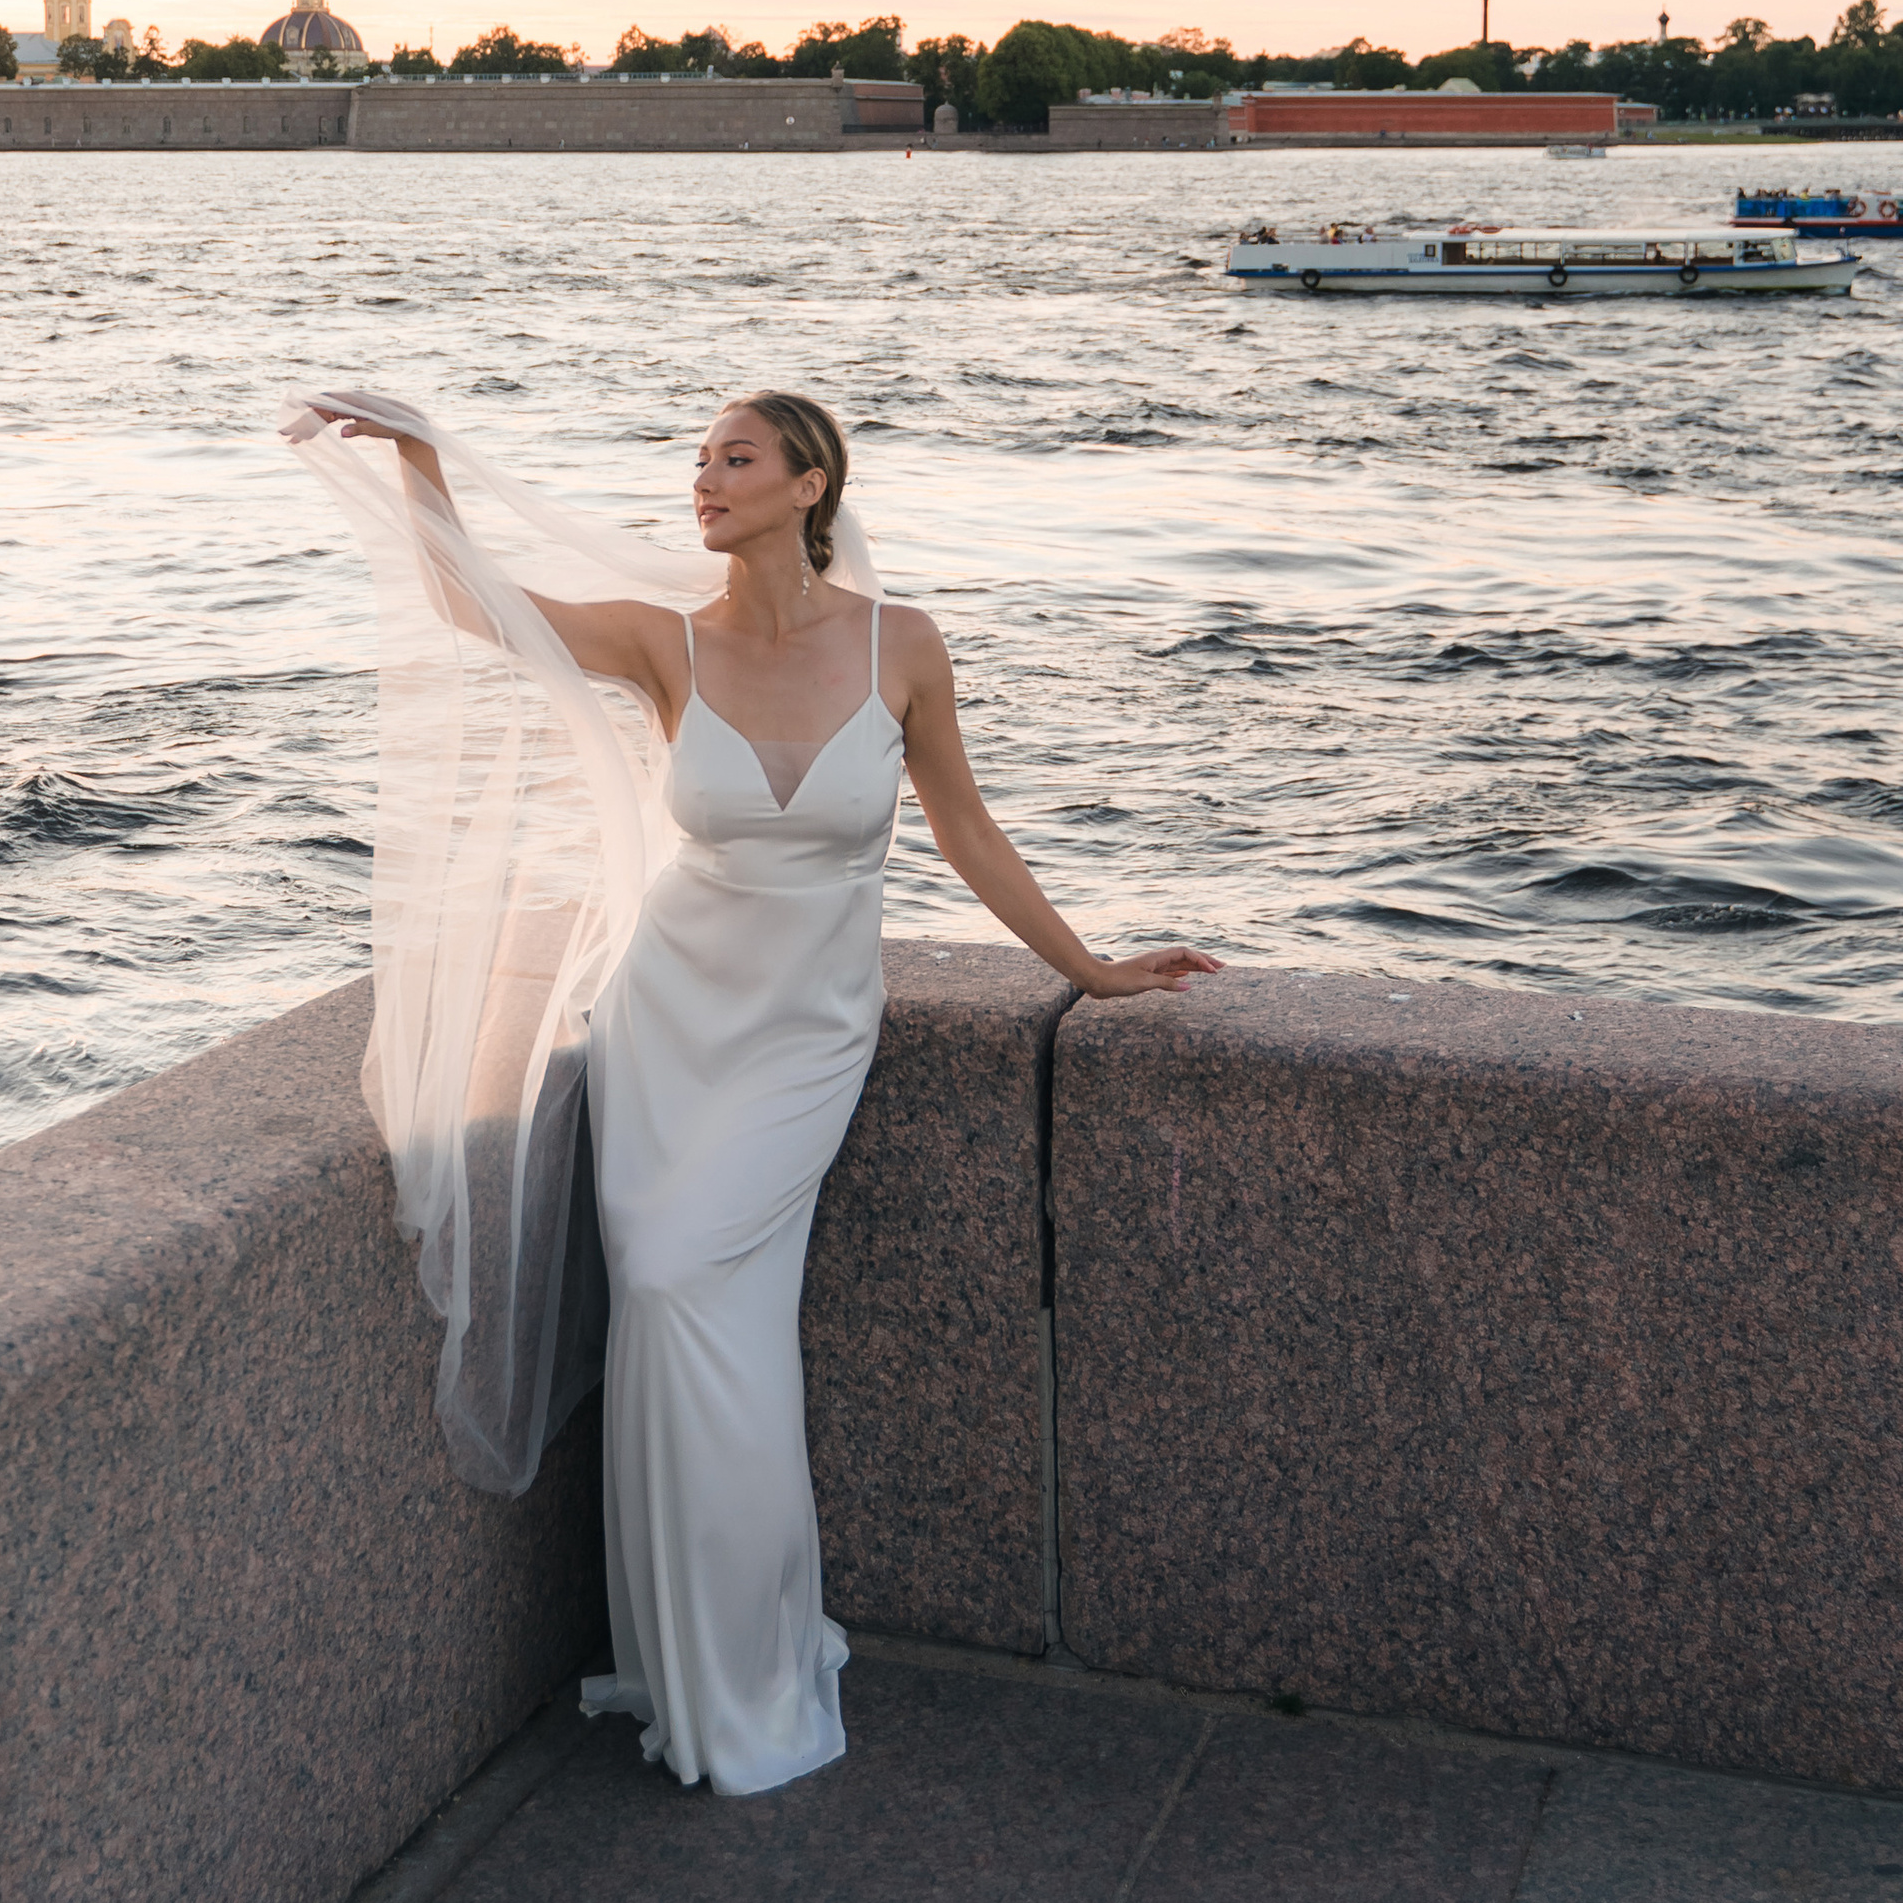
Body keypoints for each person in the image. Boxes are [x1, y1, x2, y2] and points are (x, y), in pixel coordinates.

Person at [289, 385, 1215, 1801]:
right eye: (699, 460)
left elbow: (964, 823)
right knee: (664, 1288)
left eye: (736, 459)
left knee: (721, 1307)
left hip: (805, 1031)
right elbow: (480, 610)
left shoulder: (901, 647)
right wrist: (424, 461)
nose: (705, 480)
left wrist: (1086, 966)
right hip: (672, 1016)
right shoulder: (666, 642)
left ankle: (759, 1659)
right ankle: (689, 1662)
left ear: (809, 483)